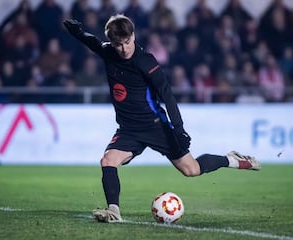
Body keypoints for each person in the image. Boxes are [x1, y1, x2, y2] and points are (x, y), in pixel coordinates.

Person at [63, 14, 261, 223]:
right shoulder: (109, 52)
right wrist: (78, 33)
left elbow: (167, 94)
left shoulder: (145, 61)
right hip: (129, 130)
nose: (123, 49)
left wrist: (179, 129)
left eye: (127, 42)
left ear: (134, 35)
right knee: (108, 161)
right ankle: (113, 211)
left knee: (191, 170)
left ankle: (232, 160)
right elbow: (92, 42)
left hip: (156, 126)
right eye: (118, 44)